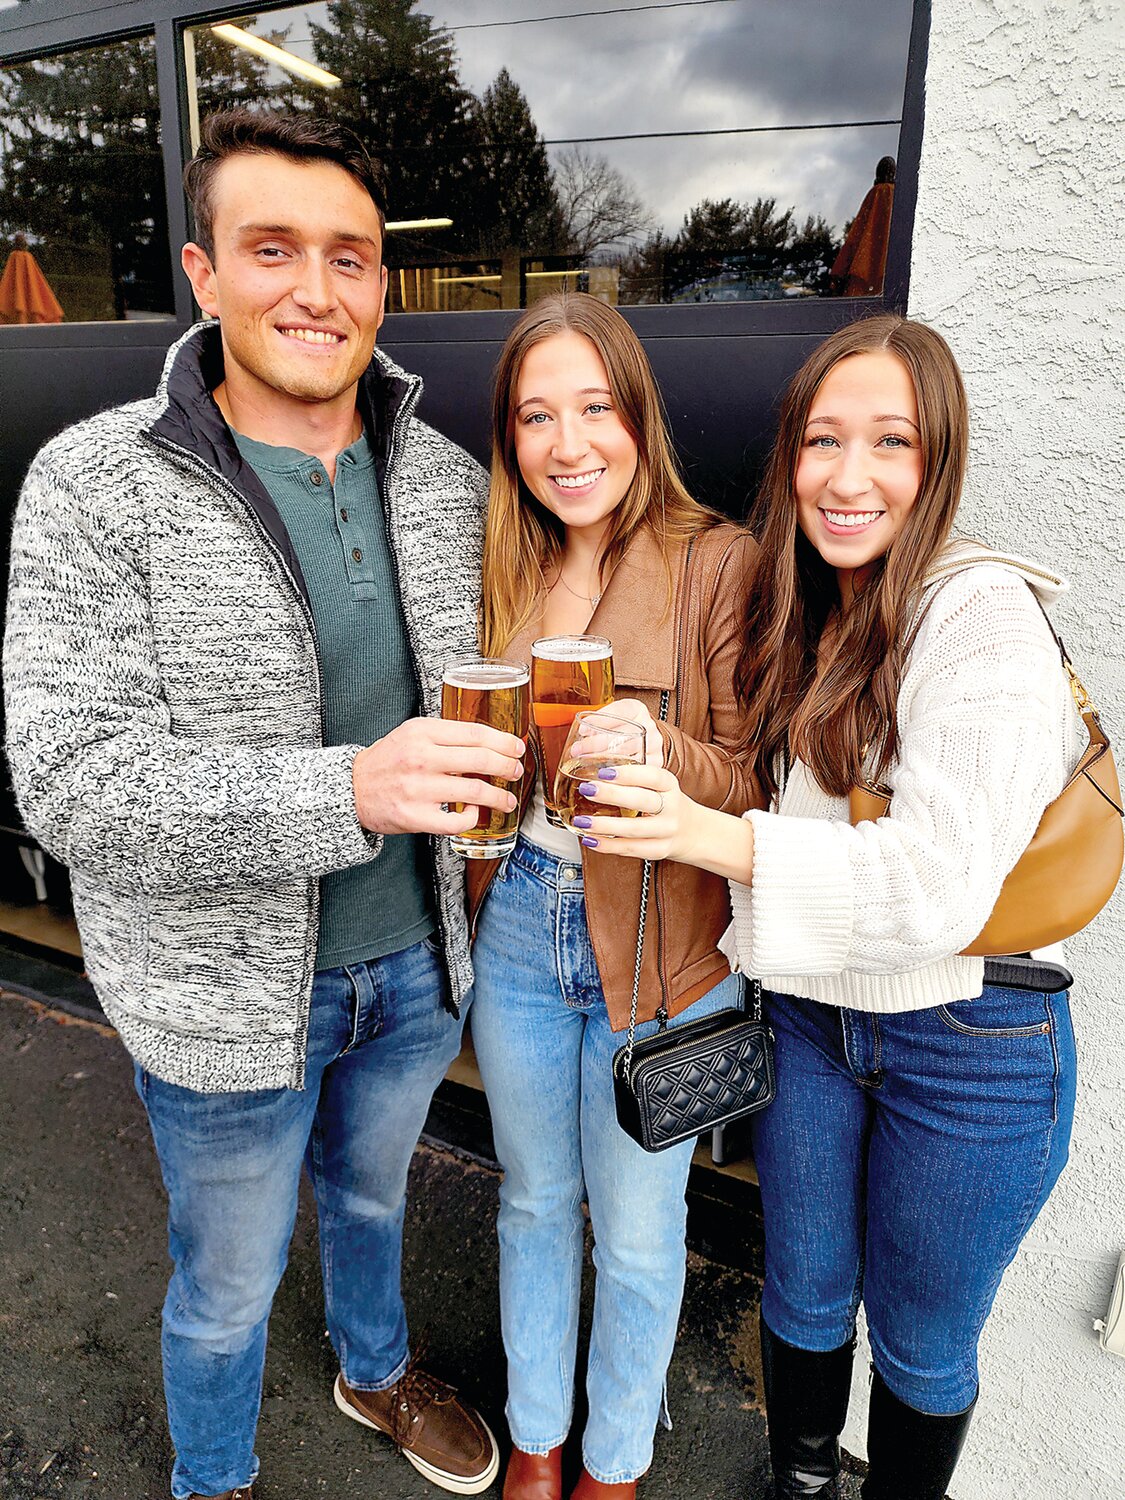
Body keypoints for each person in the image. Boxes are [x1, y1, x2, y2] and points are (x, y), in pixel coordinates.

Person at [3, 109, 521, 1500]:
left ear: (383, 283)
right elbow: (72, 781)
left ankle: (373, 1371)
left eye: (347, 255)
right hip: (216, 994)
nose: (315, 287)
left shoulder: (445, 483)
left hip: (415, 965)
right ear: (203, 271)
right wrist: (347, 788)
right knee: (225, 1285)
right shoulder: (94, 487)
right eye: (272, 248)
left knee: (374, 1201)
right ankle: (214, 1478)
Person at [574, 315, 1085, 1500]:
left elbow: (934, 882)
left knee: (920, 1340)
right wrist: (662, 745)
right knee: (799, 1288)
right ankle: (799, 1483)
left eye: (890, 442)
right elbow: (780, 794)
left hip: (970, 1042)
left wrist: (704, 836)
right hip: (810, 1016)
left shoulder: (980, 616)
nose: (848, 478)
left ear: (939, 459)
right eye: (822, 440)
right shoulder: (818, 601)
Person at [466, 292, 760, 1500]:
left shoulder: (718, 561)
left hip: (666, 949)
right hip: (525, 927)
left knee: (639, 1239)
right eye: (538, 415)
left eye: (595, 407)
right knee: (533, 1203)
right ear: (512, 439)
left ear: (638, 417)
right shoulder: (503, 560)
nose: (568, 443)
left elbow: (756, 784)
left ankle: (615, 1462)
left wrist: (659, 746)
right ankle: (537, 1436)